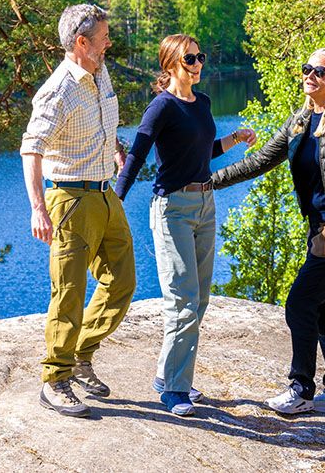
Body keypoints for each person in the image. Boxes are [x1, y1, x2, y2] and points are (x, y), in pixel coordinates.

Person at [212, 48, 325, 415]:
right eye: (306, 69)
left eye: (318, 71)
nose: (309, 76)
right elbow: (260, 161)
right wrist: (210, 181)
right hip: (318, 232)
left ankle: (301, 387)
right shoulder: (300, 122)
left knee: (300, 304)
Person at [115, 34, 255, 416]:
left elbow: (202, 150)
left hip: (205, 204)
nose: (198, 64)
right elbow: (137, 157)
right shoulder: (161, 108)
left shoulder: (203, 103)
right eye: (190, 58)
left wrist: (234, 139)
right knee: (183, 301)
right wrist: (114, 201)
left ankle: (166, 375)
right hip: (173, 208)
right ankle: (175, 390)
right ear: (171, 64)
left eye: (200, 57)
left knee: (200, 300)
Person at [20, 4, 136, 419]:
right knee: (68, 292)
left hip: (106, 194)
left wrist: (116, 150)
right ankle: (55, 380)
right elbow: (31, 148)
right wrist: (38, 208)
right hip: (69, 199)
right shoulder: (57, 90)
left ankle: (81, 354)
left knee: (122, 281)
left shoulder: (99, 72)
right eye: (103, 36)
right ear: (81, 42)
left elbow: (104, 124)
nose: (108, 42)